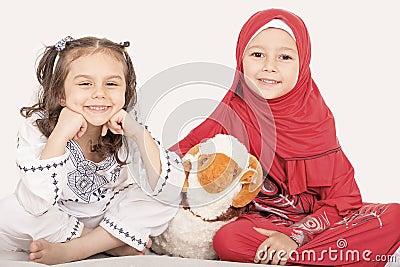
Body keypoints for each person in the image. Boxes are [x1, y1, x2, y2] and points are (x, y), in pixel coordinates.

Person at [170, 9, 400, 266]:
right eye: (258, 54)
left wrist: (295, 235)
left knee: (396, 217)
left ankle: (313, 254)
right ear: (240, 59)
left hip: (317, 222)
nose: (269, 66)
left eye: (285, 57)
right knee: (228, 241)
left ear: (303, 65)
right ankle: (372, 255)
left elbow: (344, 199)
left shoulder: (315, 118)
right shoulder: (231, 113)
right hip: (262, 222)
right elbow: (173, 160)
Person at [0, 36, 185, 265]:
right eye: (85, 83)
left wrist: (138, 132)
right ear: (60, 93)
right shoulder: (37, 127)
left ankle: (77, 249)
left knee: (164, 198)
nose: (100, 93)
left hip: (109, 211)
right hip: (58, 217)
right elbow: (37, 201)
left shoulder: (127, 125)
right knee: (9, 213)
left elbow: (167, 188)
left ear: (126, 92)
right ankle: (108, 243)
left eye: (112, 84)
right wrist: (60, 134)